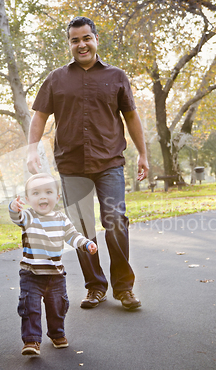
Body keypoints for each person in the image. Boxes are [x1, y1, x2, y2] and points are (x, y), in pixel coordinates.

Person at [27, 16, 149, 311]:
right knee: (82, 229)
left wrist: (143, 154)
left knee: (115, 222)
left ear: (96, 39)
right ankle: (95, 287)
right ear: (69, 43)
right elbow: (40, 116)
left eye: (86, 38)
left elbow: (131, 116)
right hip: (71, 165)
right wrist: (32, 149)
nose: (81, 44)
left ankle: (124, 288)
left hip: (109, 162)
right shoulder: (56, 79)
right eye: (74, 40)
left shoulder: (117, 76)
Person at [9, 173, 97, 356]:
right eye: (36, 193)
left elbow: (73, 235)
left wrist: (86, 243)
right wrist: (13, 208)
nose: (42, 196)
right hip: (31, 274)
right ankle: (31, 340)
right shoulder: (28, 217)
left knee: (57, 306)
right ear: (28, 199)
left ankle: (57, 334)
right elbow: (16, 217)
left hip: (55, 275)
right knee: (30, 307)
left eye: (48, 192)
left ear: (57, 197)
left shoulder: (61, 219)